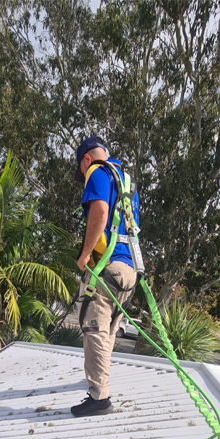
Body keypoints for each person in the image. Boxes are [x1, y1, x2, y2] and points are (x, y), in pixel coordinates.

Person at [71, 136, 139, 418]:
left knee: (93, 328)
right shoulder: (127, 181)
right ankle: (101, 382)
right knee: (108, 330)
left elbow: (99, 213)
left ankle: (100, 399)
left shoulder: (98, 172)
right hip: (129, 271)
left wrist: (85, 255)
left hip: (107, 270)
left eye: (81, 169)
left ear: (86, 159)